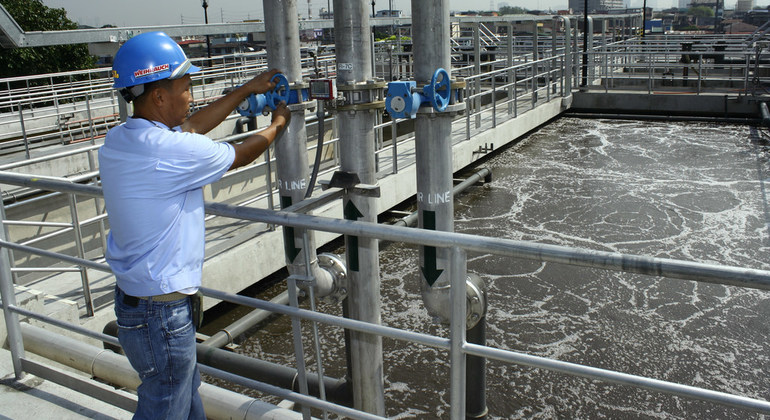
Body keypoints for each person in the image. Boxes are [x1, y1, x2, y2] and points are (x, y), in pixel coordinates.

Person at [98, 31, 290, 419]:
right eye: (186, 87)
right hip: (161, 314)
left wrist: (244, 90)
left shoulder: (122, 138)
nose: (191, 96)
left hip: (142, 304)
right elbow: (238, 154)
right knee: (165, 405)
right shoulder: (167, 152)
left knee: (185, 398)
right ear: (158, 96)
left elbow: (190, 129)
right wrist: (279, 124)